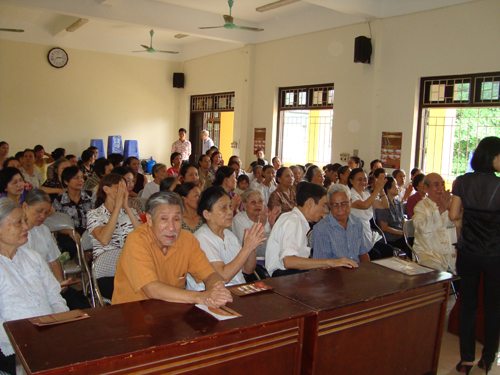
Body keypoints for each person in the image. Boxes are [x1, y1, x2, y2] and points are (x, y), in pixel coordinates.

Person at [111, 191, 233, 307]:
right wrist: (200, 297)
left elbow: (209, 274)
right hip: (132, 313)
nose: (171, 227)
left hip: (170, 312)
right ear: (149, 219)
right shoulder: (136, 240)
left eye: (176, 219)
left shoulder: (187, 240)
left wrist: (217, 289)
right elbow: (152, 289)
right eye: (164, 219)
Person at [449, 137, 500, 374]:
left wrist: (468, 220)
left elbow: (452, 215)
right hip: (494, 255)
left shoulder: (462, 181)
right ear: (494, 158)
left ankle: (466, 359)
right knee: (493, 307)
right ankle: (488, 357)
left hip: (467, 252)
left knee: (468, 306)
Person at [0, 198, 68, 375]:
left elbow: (55, 297)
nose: (25, 226)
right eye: (18, 222)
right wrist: (29, 338)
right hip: (12, 347)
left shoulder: (33, 257)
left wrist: (58, 325)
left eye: (24, 220)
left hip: (48, 337)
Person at [265, 182, 358, 277]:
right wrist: (330, 262)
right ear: (310, 203)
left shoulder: (299, 221)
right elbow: (288, 261)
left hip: (293, 275)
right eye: (323, 205)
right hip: (283, 277)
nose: (325, 210)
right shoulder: (293, 220)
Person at [20, 189, 90, 310]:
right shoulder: (14, 234)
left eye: (46, 213)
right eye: (39, 211)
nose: (43, 216)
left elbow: (54, 261)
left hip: (48, 285)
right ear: (25, 206)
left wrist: (60, 283)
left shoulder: (44, 230)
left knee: (80, 303)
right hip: (26, 286)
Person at [186, 186, 265, 291]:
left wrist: (251, 248)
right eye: (223, 208)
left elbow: (248, 270)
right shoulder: (201, 238)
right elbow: (223, 277)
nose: (229, 212)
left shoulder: (229, 235)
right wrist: (247, 248)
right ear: (207, 214)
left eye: (230, 206)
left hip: (237, 291)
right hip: (213, 297)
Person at [87, 174, 141, 300]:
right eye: (120, 187)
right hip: (106, 273)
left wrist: (127, 208)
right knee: (132, 292)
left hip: (131, 268)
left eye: (125, 187)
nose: (124, 190)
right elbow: (104, 240)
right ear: (106, 189)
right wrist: (116, 208)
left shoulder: (129, 212)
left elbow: (144, 237)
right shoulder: (94, 214)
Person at [311, 184, 371, 263]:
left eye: (344, 204)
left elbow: (363, 253)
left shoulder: (357, 223)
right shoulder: (321, 229)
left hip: (357, 270)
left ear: (350, 202)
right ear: (329, 206)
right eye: (335, 205)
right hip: (334, 273)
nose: (340, 209)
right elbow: (321, 266)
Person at [412, 173, 455, 272]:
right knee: (436, 275)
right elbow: (421, 227)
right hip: (429, 256)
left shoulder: (449, 204)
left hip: (449, 256)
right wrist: (440, 210)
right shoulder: (421, 206)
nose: (441, 188)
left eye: (442, 184)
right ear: (426, 188)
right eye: (436, 185)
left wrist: (452, 210)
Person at [348, 167, 393, 260]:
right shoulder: (350, 195)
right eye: (359, 179)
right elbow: (364, 205)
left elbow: (384, 205)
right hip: (356, 235)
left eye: (365, 179)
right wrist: (377, 189)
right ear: (351, 181)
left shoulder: (366, 194)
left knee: (388, 250)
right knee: (376, 255)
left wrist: (381, 190)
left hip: (368, 233)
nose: (363, 182)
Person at [52, 166, 95, 259]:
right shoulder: (59, 200)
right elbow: (56, 224)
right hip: (67, 233)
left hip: (89, 230)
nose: (80, 180)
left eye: (81, 177)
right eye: (76, 178)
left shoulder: (90, 195)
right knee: (70, 246)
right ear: (66, 181)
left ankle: (85, 264)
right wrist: (70, 232)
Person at [232, 188, 278, 258]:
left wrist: (272, 225)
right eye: (253, 202)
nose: (257, 205)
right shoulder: (239, 220)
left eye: (260, 202)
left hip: (270, 256)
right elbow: (250, 247)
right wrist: (261, 224)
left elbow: (277, 241)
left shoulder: (266, 216)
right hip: (249, 259)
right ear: (244, 205)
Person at [375, 177, 412, 257]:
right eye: (395, 185)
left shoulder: (397, 203)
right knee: (409, 243)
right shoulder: (382, 204)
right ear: (388, 188)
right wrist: (401, 233)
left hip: (401, 234)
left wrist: (405, 231)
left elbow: (402, 221)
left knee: (414, 239)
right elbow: (384, 228)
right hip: (391, 237)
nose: (398, 187)